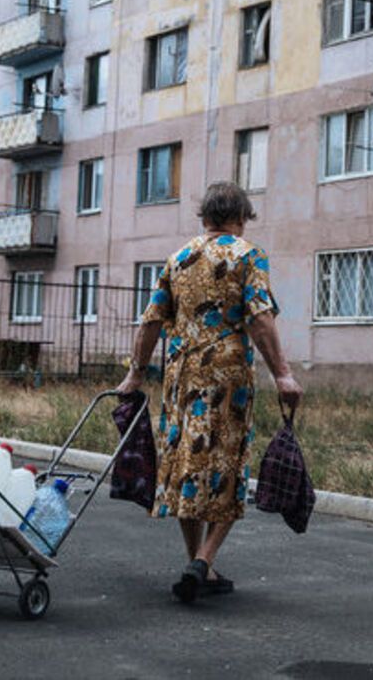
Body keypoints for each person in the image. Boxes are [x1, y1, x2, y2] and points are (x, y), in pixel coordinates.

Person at [116, 181, 302, 604]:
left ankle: (199, 564)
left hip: (180, 376)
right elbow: (260, 319)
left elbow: (150, 322)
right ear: (240, 217)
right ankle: (204, 560)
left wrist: (135, 376)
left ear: (204, 216)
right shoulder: (248, 255)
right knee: (226, 465)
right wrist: (284, 375)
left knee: (188, 463)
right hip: (225, 377)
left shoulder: (178, 258)